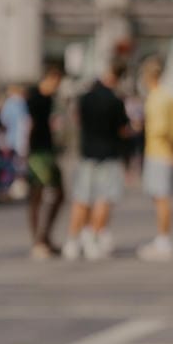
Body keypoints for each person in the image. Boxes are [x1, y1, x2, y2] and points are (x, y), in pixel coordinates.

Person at [62, 60, 129, 260]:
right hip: (109, 153)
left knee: (81, 198)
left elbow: (77, 120)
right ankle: (91, 236)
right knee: (103, 199)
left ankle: (72, 241)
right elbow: (123, 129)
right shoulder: (116, 100)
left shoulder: (85, 98)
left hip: (87, 153)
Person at [136, 58, 173, 261]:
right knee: (164, 197)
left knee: (161, 199)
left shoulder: (156, 98)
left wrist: (171, 149)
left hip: (158, 152)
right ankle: (164, 239)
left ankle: (163, 240)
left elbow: (161, 129)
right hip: (167, 152)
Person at [25, 61, 65, 258]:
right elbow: (29, 125)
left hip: (48, 150)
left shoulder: (49, 99)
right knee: (37, 195)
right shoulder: (34, 98)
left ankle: (45, 236)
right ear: (50, 78)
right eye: (56, 81)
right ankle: (38, 241)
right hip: (37, 152)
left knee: (59, 194)